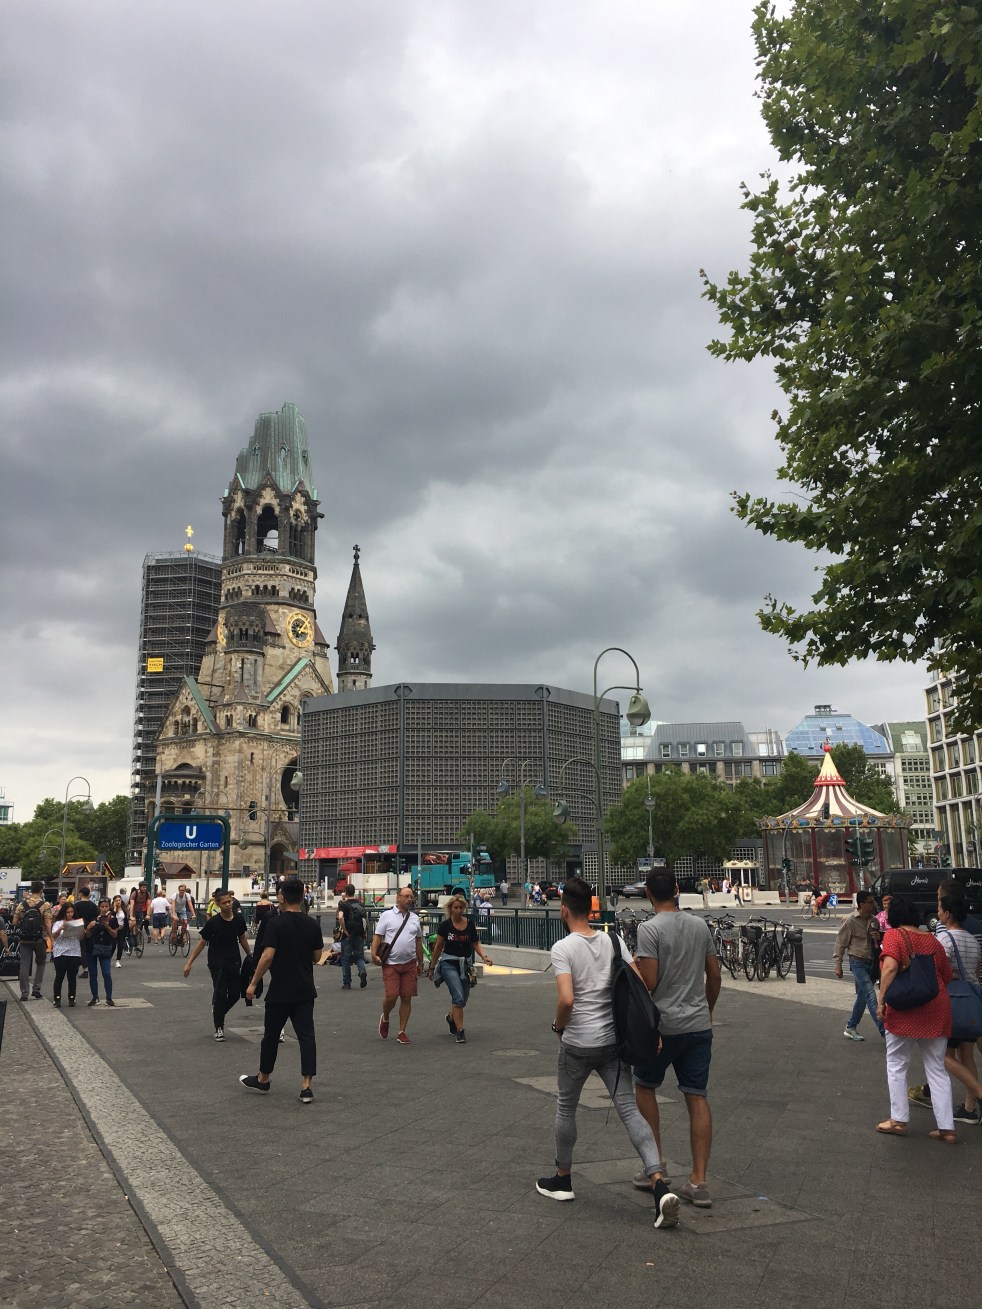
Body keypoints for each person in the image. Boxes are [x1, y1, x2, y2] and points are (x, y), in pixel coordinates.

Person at [533, 877, 675, 1228]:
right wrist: (652, 1029)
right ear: (590, 909)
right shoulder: (614, 941)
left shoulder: (563, 948)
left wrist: (559, 1025)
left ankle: (563, 1179)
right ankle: (658, 1183)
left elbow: (567, 999)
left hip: (577, 1044)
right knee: (629, 1110)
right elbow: (640, 985)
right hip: (613, 1043)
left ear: (564, 910)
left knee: (566, 1108)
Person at [631, 869, 721, 1212]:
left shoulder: (649, 929)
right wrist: (707, 1009)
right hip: (697, 1025)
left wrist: (635, 969)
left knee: (645, 1087)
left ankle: (655, 1166)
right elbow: (714, 974)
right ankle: (699, 1181)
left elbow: (650, 982)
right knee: (697, 1096)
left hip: (662, 1027)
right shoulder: (700, 926)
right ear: (677, 890)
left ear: (648, 894)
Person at [875, 895, 955, 1140]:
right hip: (936, 1007)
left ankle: (899, 1120)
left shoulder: (894, 936)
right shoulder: (932, 940)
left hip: (904, 1010)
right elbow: (946, 974)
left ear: (893, 917)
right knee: (937, 1068)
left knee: (897, 1063)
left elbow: (890, 968)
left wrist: (881, 1000)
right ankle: (947, 1128)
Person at [241, 878, 324, 1103]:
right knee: (307, 1037)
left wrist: (253, 982)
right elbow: (317, 957)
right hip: (305, 989)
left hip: (280, 989)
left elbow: (267, 956)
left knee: (270, 1036)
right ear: (302, 897)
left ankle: (263, 1078)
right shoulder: (312, 924)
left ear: (282, 897)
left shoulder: (275, 924)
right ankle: (306, 1085)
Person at [184, 887, 250, 1040]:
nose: (228, 904)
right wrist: (189, 962)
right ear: (218, 904)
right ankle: (219, 1027)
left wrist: (250, 955)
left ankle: (218, 1012)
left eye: (229, 901)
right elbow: (202, 942)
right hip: (217, 962)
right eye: (224, 902)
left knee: (235, 994)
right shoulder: (213, 922)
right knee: (220, 994)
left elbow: (242, 938)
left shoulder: (239, 919)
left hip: (234, 961)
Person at [427, 893, 494, 1044]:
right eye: (455, 908)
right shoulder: (445, 926)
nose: (458, 910)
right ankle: (460, 1031)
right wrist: (432, 967)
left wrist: (484, 956)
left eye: (460, 908)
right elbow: (438, 947)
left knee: (463, 999)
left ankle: (452, 1018)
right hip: (448, 963)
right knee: (457, 996)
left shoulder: (469, 924)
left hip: (465, 965)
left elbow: (475, 943)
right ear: (450, 909)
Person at [371, 886, 424, 1044]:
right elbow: (378, 936)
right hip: (391, 963)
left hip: (409, 963)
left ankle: (402, 1031)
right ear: (398, 898)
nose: (410, 899)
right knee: (391, 996)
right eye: (406, 896)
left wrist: (421, 962)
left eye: (411, 897)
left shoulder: (415, 918)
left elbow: (418, 941)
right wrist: (374, 954)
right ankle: (386, 1017)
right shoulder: (386, 916)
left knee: (406, 998)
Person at [833, 890, 884, 1041]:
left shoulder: (874, 920)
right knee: (870, 994)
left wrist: (879, 937)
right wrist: (838, 965)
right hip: (857, 961)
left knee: (863, 997)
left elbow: (878, 943)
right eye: (870, 902)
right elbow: (840, 943)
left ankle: (851, 1027)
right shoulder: (850, 920)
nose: (874, 904)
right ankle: (885, 1032)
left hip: (871, 962)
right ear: (861, 904)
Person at [12, 880, 52, 1001]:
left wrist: (24, 926)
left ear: (31, 890)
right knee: (41, 963)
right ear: (41, 890)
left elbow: (14, 922)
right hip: (40, 938)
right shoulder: (45, 905)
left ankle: (24, 992)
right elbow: (48, 923)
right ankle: (36, 989)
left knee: (24, 964)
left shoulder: (22, 904)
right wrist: (51, 937)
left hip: (25, 939)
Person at [331, 885, 368, 990]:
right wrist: (364, 932)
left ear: (346, 893)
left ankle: (347, 982)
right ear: (354, 892)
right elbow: (365, 920)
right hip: (359, 934)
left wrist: (345, 929)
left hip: (348, 935)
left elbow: (340, 917)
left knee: (345, 958)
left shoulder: (344, 905)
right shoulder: (360, 904)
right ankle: (362, 971)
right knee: (359, 956)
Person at [84, 898, 119, 1007]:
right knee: (93, 973)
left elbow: (115, 935)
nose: (104, 909)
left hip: (105, 948)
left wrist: (107, 926)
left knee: (106, 973)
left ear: (109, 907)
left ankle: (109, 997)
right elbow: (87, 935)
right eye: (102, 906)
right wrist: (89, 927)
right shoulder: (94, 919)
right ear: (99, 907)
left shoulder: (112, 919)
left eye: (106, 906)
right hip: (91, 948)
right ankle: (95, 997)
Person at [51, 901, 85, 1007]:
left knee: (72, 977)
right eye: (68, 912)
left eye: (71, 912)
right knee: (59, 976)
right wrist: (61, 928)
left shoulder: (76, 922)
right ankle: (57, 999)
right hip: (61, 952)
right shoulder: (58, 923)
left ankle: (72, 998)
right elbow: (53, 936)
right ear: (64, 912)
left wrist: (82, 931)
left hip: (74, 952)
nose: (70, 914)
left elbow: (81, 938)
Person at [74, 885, 99, 980]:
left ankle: (84, 969)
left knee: (81, 949)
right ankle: (88, 967)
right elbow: (95, 918)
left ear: (81, 894)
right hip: (91, 930)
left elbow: (75, 918)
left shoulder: (76, 905)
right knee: (89, 949)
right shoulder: (93, 905)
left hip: (79, 929)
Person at [111, 894, 129, 966]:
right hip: (113, 930)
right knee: (113, 945)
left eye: (119, 900)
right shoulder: (112, 910)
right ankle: (109, 958)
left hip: (121, 929)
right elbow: (112, 918)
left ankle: (118, 961)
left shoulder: (123, 910)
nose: (118, 902)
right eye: (116, 901)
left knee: (120, 945)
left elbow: (125, 920)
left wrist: (127, 930)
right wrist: (115, 909)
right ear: (114, 902)